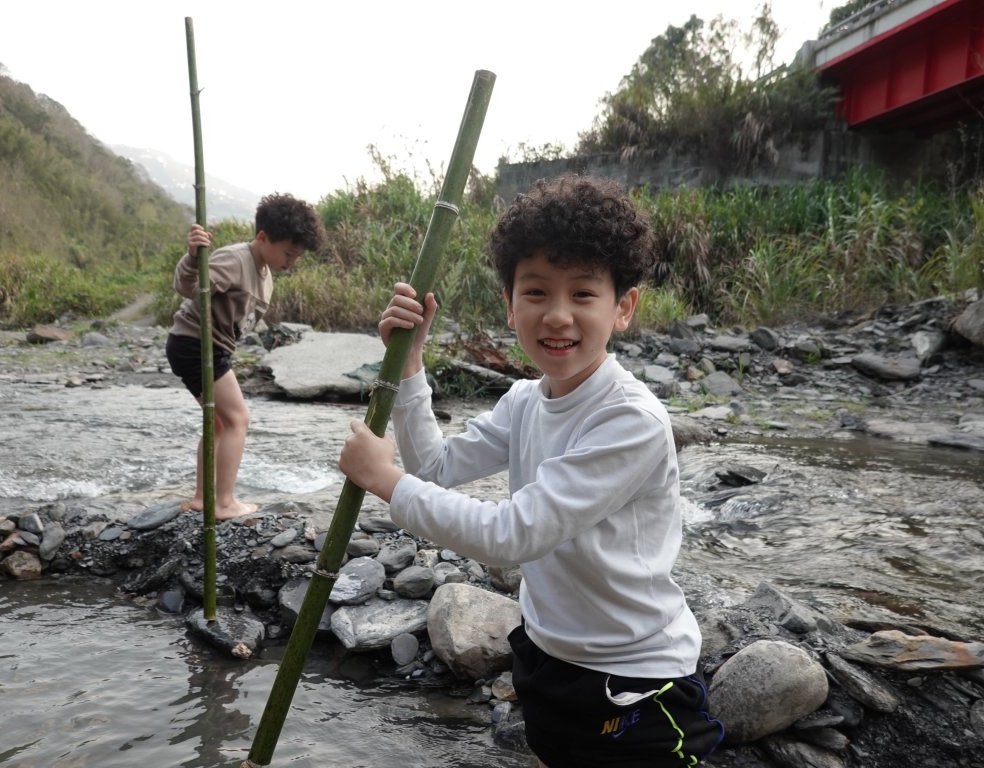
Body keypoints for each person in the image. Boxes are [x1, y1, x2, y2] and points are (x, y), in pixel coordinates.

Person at [338, 175, 724, 767]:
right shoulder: (524, 400)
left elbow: (514, 535)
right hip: (548, 656)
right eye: (537, 292)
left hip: (635, 679)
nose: (559, 316)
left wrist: (384, 481)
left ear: (624, 307)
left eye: (584, 295)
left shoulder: (631, 418)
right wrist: (412, 365)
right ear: (509, 303)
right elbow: (436, 468)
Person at [166, 193, 326, 520]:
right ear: (262, 237)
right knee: (238, 419)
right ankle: (223, 502)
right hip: (195, 344)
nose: (291, 262)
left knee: (220, 422)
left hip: (208, 348)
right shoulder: (235, 260)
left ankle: (202, 498)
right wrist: (192, 257)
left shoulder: (266, 273)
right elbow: (189, 286)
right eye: (288, 253)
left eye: (297, 257)